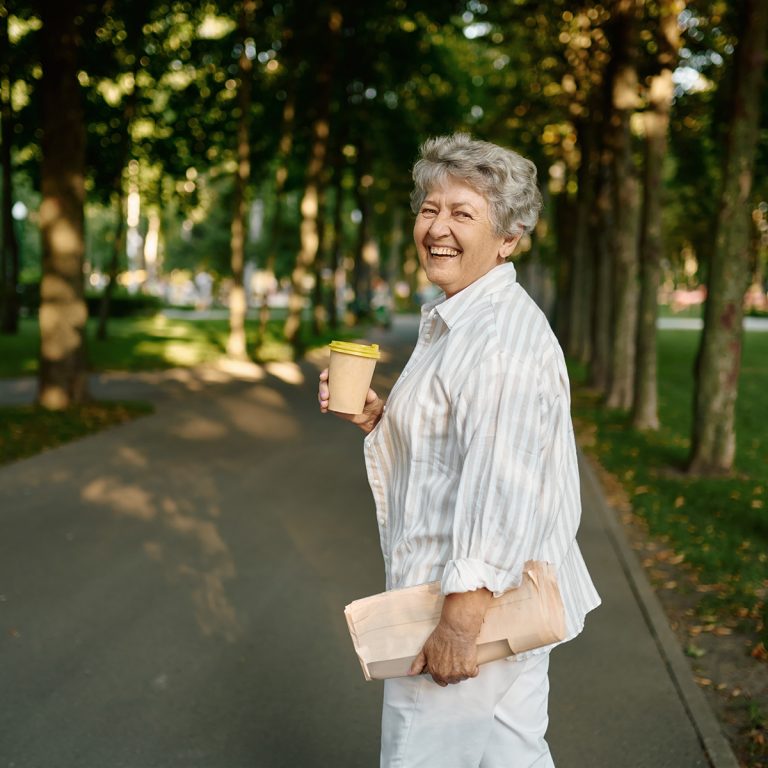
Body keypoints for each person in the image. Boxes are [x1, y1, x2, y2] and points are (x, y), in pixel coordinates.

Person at [318, 133, 600, 767]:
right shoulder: (462, 318)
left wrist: (458, 627)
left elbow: (502, 488)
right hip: (498, 604)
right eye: (429, 209)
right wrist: (380, 419)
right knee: (512, 756)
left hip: (465, 605)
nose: (437, 228)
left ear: (508, 238)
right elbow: (462, 448)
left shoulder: (496, 340)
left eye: (462, 213)